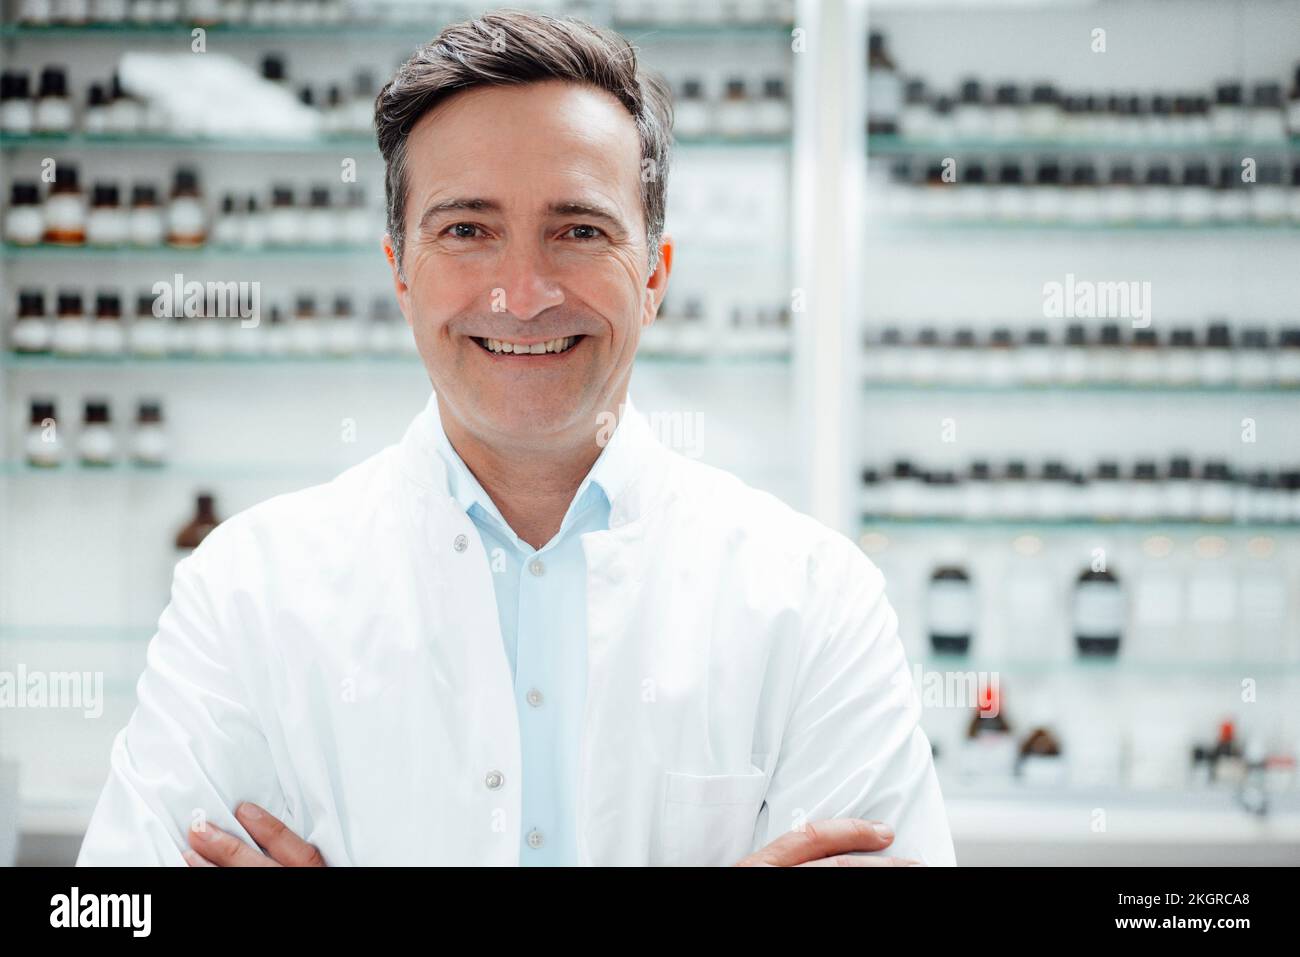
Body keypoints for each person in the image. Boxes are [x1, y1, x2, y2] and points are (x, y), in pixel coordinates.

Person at [77, 9, 954, 867]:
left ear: (653, 275)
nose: (523, 291)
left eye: (579, 230)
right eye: (467, 231)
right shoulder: (243, 597)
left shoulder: (818, 606)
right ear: (399, 275)